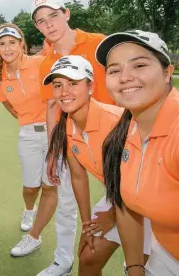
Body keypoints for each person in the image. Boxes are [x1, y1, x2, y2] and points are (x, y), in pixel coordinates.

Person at [43, 55, 151, 275]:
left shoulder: (118, 121)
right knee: (88, 257)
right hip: (118, 196)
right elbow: (78, 177)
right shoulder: (66, 129)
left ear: (91, 86)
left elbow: (144, 180)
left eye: (73, 83)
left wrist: (111, 216)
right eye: (58, 85)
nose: (64, 92)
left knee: (143, 266)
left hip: (151, 202)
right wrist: (87, 225)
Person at [97, 30, 179, 276]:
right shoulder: (127, 129)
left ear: (167, 72)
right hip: (164, 253)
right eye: (114, 70)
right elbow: (126, 204)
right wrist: (134, 267)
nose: (125, 77)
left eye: (139, 65)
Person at [0, 23, 58, 257]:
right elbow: (9, 105)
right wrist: (27, 119)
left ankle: (35, 235)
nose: (7, 48)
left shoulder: (41, 64)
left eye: (12, 42)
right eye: (2, 44)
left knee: (50, 185)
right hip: (28, 135)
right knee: (31, 186)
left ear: (22, 45)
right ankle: (29, 210)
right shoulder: (0, 81)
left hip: (55, 132)